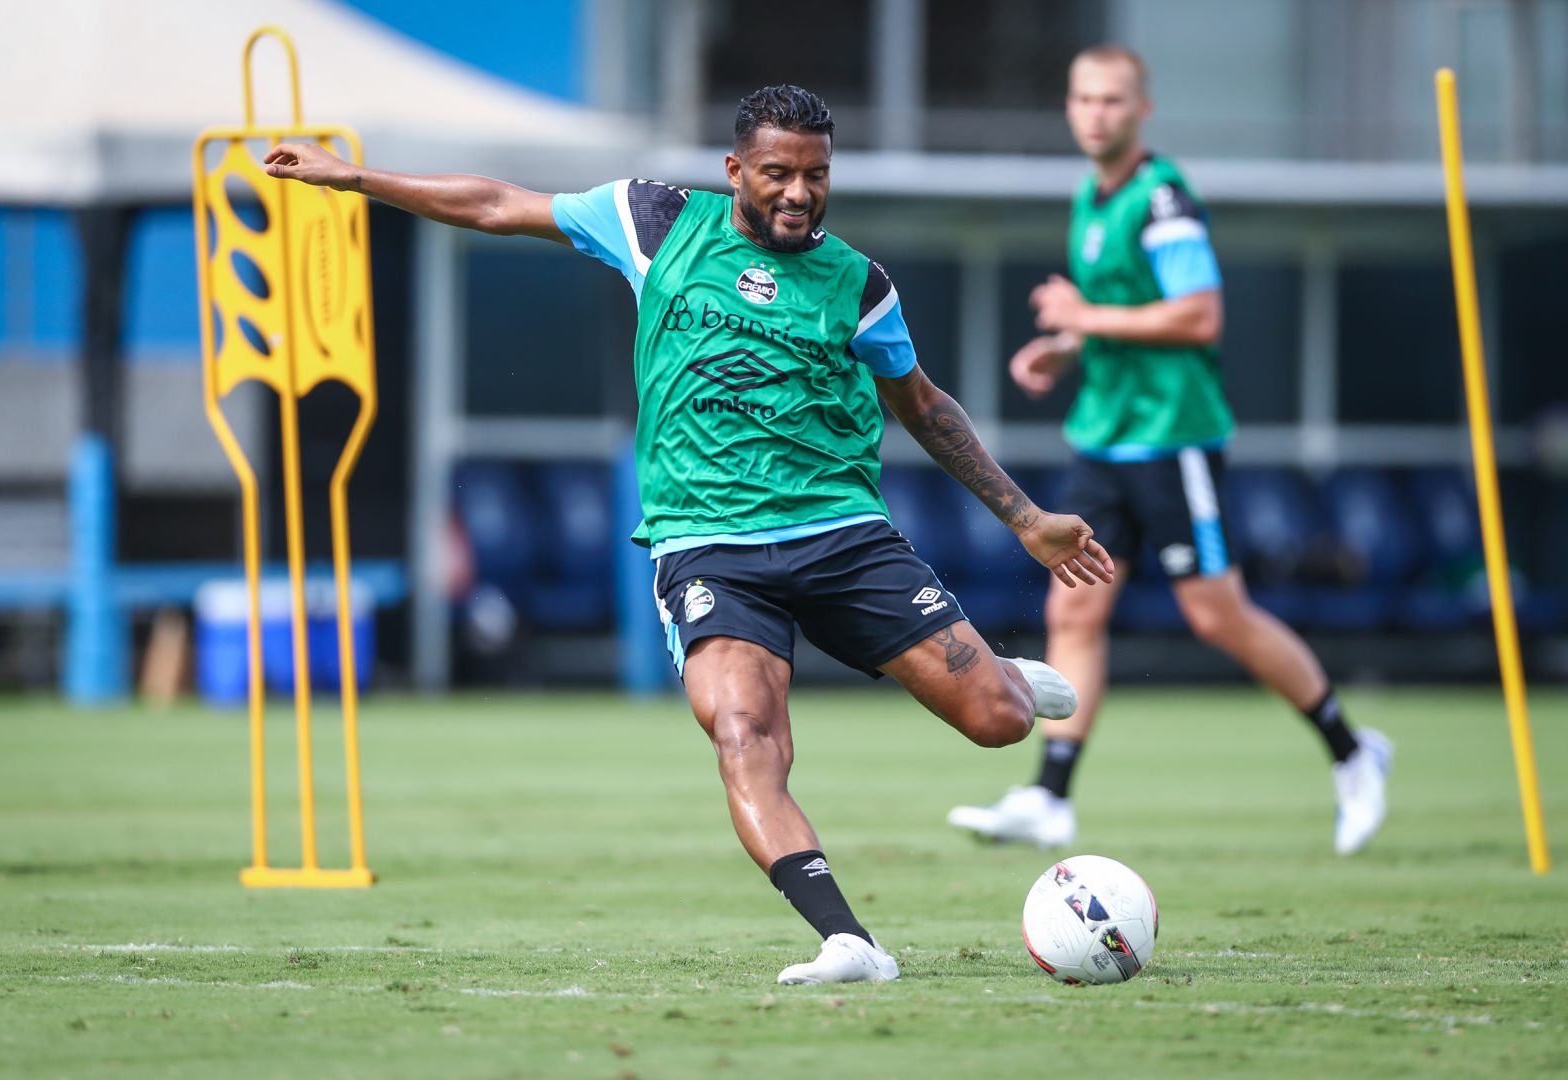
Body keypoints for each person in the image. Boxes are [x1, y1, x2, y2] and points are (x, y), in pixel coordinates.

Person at [264, 84, 1113, 984]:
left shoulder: (860, 285)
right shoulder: (654, 221)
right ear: (734, 170)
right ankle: (847, 940)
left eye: (817, 176)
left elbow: (926, 407)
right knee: (746, 734)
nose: (799, 193)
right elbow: (495, 204)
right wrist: (352, 178)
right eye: (779, 174)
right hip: (707, 546)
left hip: (841, 535)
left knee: (998, 724)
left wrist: (1027, 518)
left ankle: (1003, 676)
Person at [946, 45, 1392, 858]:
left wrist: (1085, 316)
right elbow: (1124, 311)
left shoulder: (1163, 201)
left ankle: (1353, 752)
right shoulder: (1092, 194)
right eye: (1084, 99)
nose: (1096, 113)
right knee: (1073, 605)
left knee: (1214, 613)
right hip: (1103, 434)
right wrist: (1069, 346)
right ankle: (1050, 796)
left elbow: (1197, 316)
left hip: (1172, 437)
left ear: (1142, 109)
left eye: (1113, 100)